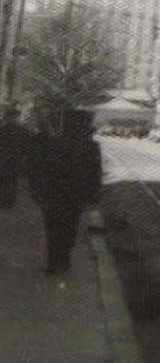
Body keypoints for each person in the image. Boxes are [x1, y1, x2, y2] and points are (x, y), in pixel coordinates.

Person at [27, 110, 103, 275]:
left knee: (53, 228)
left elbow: (41, 170)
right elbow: (95, 175)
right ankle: (64, 259)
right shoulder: (91, 147)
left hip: (52, 195)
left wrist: (38, 192)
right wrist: (94, 197)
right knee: (70, 228)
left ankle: (53, 262)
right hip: (74, 198)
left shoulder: (53, 143)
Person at [1, 107, 35, 210]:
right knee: (12, 179)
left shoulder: (3, 129)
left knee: (6, 179)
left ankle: (6, 201)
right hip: (15, 158)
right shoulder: (22, 130)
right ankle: (9, 201)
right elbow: (29, 146)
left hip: (6, 158)